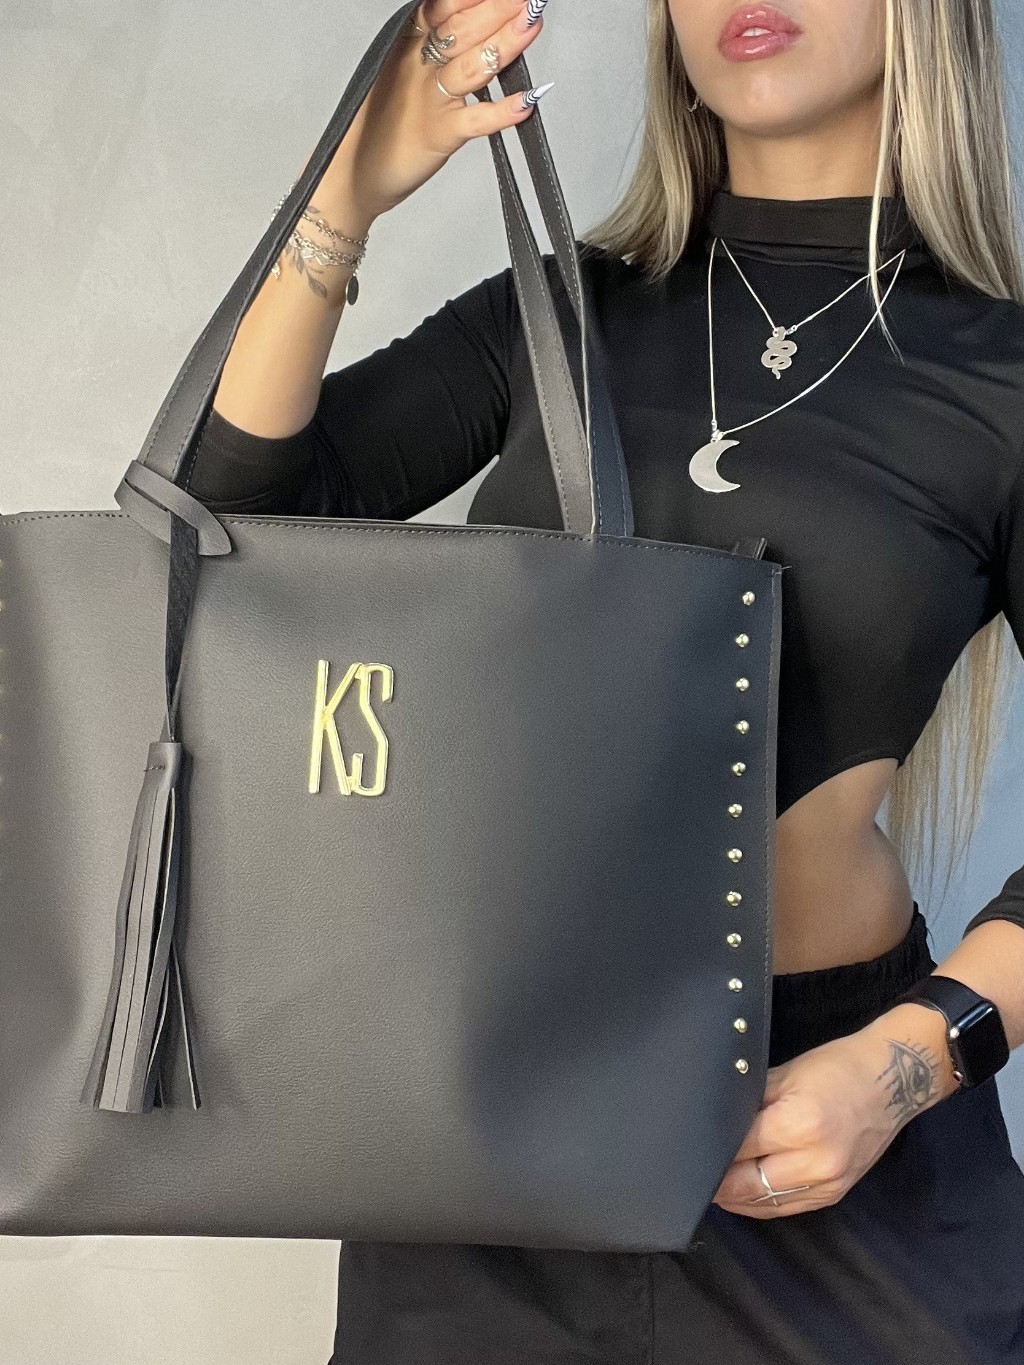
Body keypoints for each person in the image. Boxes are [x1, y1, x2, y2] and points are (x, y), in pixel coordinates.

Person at [186, 0, 1024, 1359]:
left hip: (828, 1126)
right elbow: (223, 525)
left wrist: (907, 1065)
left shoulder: (1000, 373)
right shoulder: (561, 311)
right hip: (493, 1115)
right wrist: (343, 199)